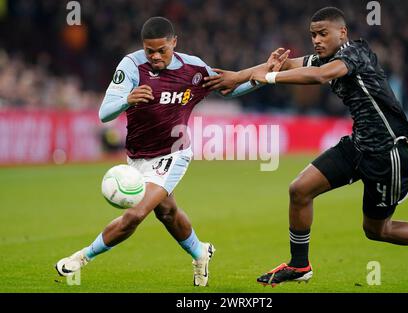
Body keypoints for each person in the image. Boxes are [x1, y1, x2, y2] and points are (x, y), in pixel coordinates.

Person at [204, 7, 408, 286]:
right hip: (359, 145)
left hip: (388, 152)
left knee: (377, 230)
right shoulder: (322, 57)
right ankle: (299, 266)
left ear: (342, 33)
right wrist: (236, 76)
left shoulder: (354, 53)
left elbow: (320, 75)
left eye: (323, 34)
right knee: (299, 189)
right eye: (313, 35)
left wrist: (269, 78)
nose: (317, 40)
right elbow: (283, 65)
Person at [54, 16, 276, 287]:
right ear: (143, 47)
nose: (156, 56)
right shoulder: (132, 65)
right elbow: (104, 113)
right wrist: (127, 99)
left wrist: (263, 78)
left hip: (174, 153)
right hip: (137, 156)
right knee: (167, 213)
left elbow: (228, 89)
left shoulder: (193, 68)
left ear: (174, 43)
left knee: (135, 214)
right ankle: (200, 251)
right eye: (150, 51)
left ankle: (81, 258)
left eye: (162, 50)